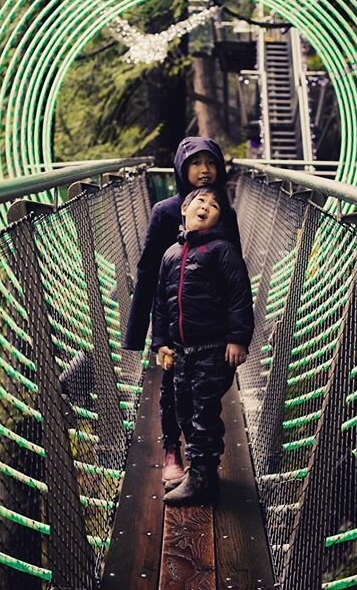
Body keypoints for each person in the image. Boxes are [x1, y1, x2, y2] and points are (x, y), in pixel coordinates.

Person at [123, 137, 241, 483]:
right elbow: (149, 274)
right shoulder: (165, 212)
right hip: (172, 322)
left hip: (210, 326)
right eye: (194, 163)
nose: (204, 171)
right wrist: (143, 331)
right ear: (180, 168)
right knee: (172, 388)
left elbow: (235, 275)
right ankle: (172, 449)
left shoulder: (225, 214)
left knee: (206, 390)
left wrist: (236, 334)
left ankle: (199, 461)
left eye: (211, 163)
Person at [151, 186, 254, 505]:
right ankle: (198, 472)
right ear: (184, 209)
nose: (206, 207)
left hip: (213, 348)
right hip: (183, 351)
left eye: (214, 205)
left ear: (219, 218)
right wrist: (162, 343)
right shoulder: (170, 254)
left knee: (203, 412)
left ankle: (203, 477)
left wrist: (237, 338)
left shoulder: (221, 250)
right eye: (200, 201)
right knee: (184, 410)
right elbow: (161, 305)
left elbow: (239, 294)